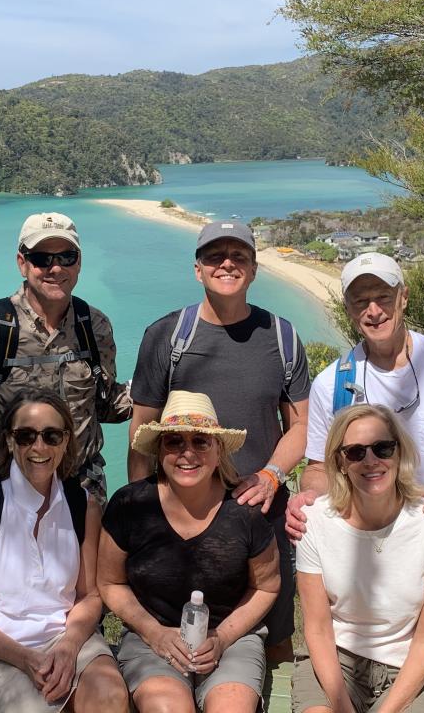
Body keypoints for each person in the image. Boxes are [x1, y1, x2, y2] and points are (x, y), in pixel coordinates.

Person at [288, 252, 424, 678]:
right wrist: (308, 500)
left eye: (382, 296)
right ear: (349, 310)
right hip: (360, 546)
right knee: (363, 664)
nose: (373, 310)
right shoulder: (332, 383)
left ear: (403, 297)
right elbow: (318, 466)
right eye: (360, 301)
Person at [128, 220, 308, 655]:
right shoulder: (167, 337)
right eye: (214, 256)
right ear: (197, 269)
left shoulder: (282, 337)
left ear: (253, 268)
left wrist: (271, 474)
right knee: (175, 632)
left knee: (275, 633)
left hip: (261, 515)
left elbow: (301, 425)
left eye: (238, 256)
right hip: (184, 517)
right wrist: (140, 509)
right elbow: (141, 432)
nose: (227, 263)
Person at [0, 389, 128, 713]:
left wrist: (69, 647)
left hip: (64, 637)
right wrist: (26, 659)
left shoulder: (84, 507)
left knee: (109, 697)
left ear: (66, 441)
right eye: (26, 436)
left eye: (51, 435)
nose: (39, 447)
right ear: (10, 442)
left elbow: (89, 595)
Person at [0, 212, 132, 503]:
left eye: (67, 257)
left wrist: (158, 388)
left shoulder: (94, 326)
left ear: (79, 262)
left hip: (83, 491)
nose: (56, 268)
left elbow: (103, 402)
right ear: (22, 263)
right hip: (6, 489)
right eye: (42, 259)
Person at [100, 391, 280, 713]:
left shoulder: (243, 511)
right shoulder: (130, 505)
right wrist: (155, 633)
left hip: (232, 638)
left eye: (200, 441)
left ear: (217, 449)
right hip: (150, 637)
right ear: (159, 449)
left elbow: (266, 585)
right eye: (174, 441)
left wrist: (222, 638)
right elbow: (110, 583)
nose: (188, 453)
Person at [294, 405, 424, 713]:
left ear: (399, 453)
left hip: (412, 672)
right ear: (340, 463)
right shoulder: (313, 522)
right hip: (335, 663)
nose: (371, 461)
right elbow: (318, 629)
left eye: (383, 448)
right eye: (356, 452)